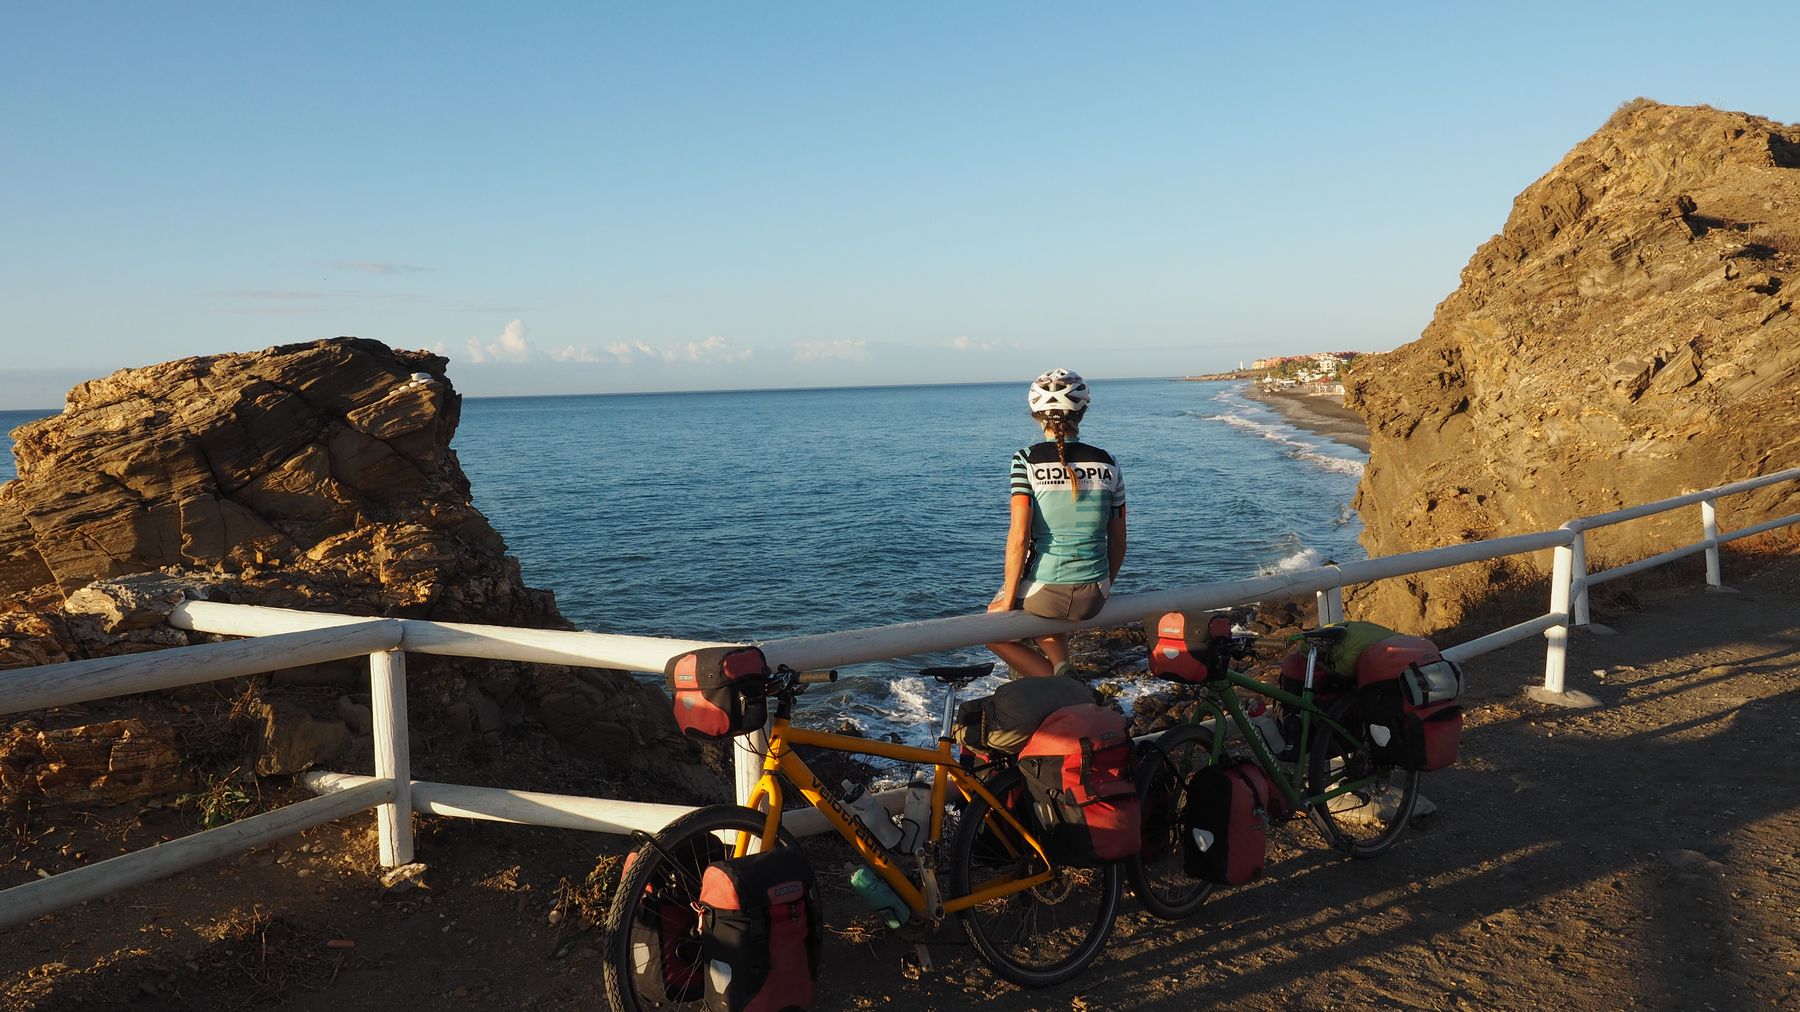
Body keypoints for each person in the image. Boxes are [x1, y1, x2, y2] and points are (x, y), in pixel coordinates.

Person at [985, 368, 1126, 677]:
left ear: (1037, 415)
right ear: (1082, 413)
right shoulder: (1109, 462)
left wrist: (1007, 602)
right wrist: (1106, 587)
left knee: (991, 630)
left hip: (1046, 594)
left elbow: (1019, 537)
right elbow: (1118, 541)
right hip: (1095, 595)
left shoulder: (1025, 459)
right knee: (1047, 599)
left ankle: (1057, 680)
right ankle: (1062, 666)